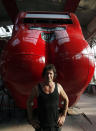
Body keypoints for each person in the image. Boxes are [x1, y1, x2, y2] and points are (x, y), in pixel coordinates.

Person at [27, 64, 69, 131]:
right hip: (41, 126)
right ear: (43, 75)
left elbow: (66, 99)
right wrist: (31, 119)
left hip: (56, 125)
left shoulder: (58, 87)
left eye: (50, 73)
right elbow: (29, 102)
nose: (48, 76)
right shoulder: (37, 88)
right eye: (46, 73)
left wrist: (63, 116)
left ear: (54, 75)